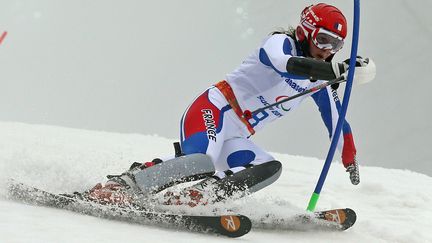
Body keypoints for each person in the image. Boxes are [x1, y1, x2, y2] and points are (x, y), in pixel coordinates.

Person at [83, 3, 375, 207]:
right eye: (323, 40)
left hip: (238, 133)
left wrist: (349, 158)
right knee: (200, 161)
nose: (327, 51)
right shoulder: (279, 43)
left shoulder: (316, 78)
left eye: (336, 46)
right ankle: (125, 185)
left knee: (269, 167)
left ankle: (198, 198)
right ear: (305, 32)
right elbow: (285, 66)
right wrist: (336, 70)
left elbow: (336, 121)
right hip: (215, 109)